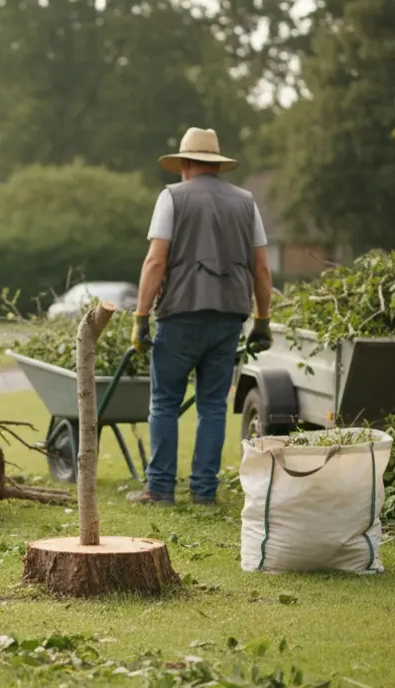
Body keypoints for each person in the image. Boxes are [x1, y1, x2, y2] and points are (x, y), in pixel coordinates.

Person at [126, 127, 274, 506]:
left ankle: (159, 489)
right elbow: (261, 268)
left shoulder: (171, 198)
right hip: (229, 317)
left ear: (187, 163)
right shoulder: (246, 202)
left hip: (181, 314)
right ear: (215, 165)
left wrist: (141, 316)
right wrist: (262, 320)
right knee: (211, 406)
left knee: (164, 403)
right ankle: (203, 492)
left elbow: (156, 259)